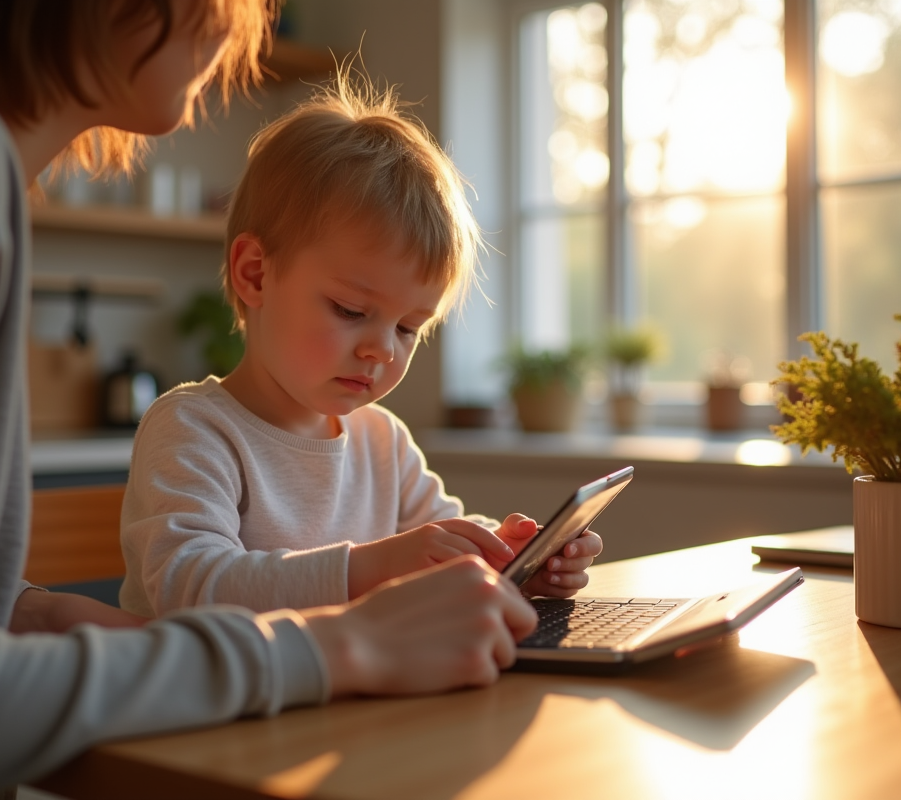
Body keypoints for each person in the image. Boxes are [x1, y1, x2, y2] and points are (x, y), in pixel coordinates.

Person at [0, 2, 539, 798]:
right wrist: (343, 647)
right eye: (351, 309)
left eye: (410, 327)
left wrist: (25, 611)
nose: (240, 22)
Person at [118, 77, 605, 619]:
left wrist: (515, 556)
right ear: (255, 274)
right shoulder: (193, 429)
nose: (383, 351)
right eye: (350, 311)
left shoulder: (381, 441)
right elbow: (189, 585)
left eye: (409, 328)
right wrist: (373, 566)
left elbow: (443, 537)